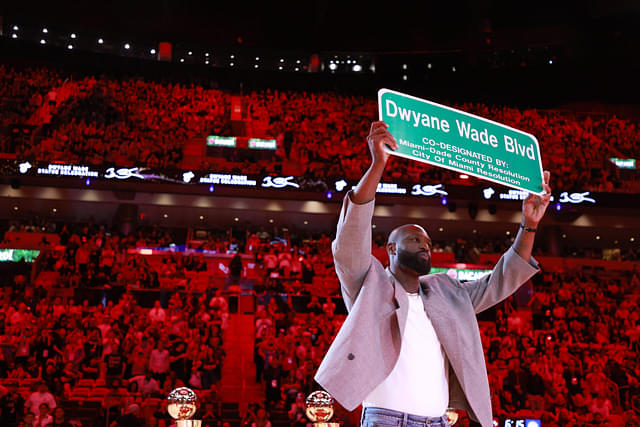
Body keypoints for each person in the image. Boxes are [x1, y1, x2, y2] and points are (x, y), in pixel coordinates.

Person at [314, 121, 552, 427]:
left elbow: (500, 280)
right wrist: (377, 166)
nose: (425, 245)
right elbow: (349, 239)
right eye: (414, 239)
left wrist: (529, 224)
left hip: (438, 422)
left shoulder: (447, 292)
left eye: (428, 241)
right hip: (387, 421)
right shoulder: (369, 283)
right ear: (390, 249)